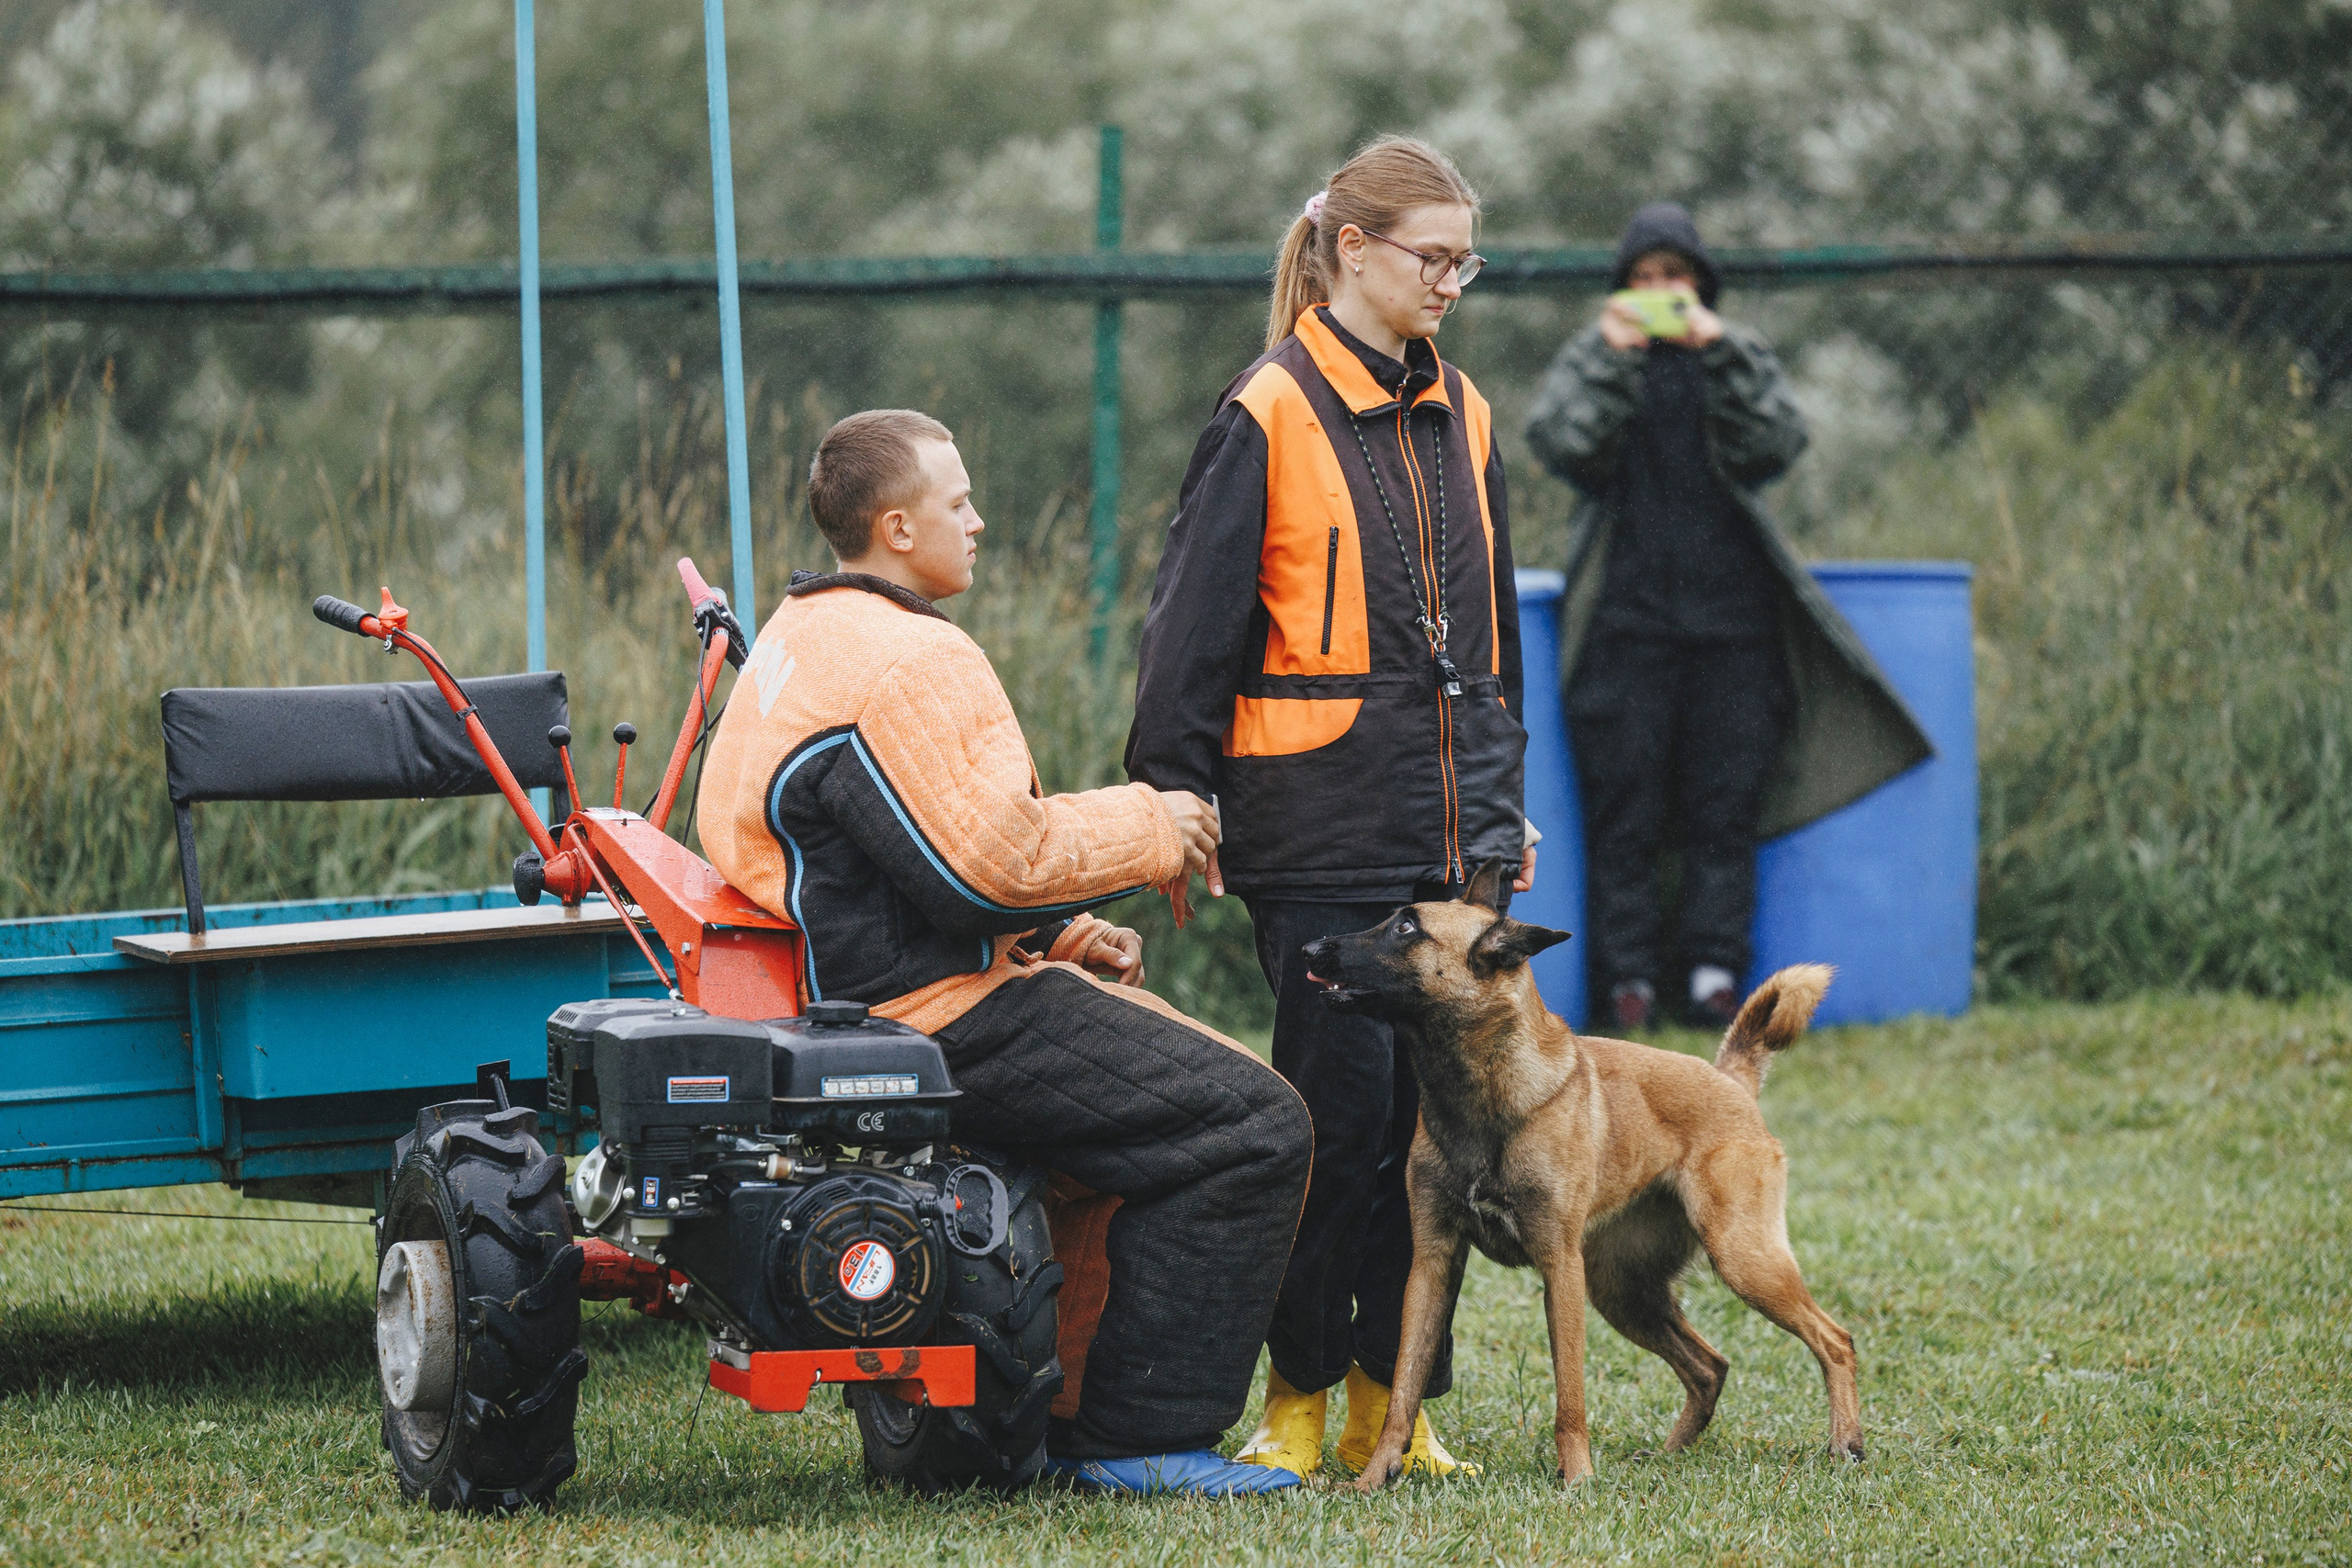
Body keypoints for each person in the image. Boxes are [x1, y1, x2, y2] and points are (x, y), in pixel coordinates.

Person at [695, 409, 1313, 1496]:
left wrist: (1060, 933)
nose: (977, 522)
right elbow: (989, 861)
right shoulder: (909, 657)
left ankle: (1062, 1406)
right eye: (957, 502)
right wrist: (1155, 823)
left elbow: (886, 852)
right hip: (925, 1012)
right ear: (895, 526)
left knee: (1163, 1105)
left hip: (845, 991)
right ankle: (1130, 1440)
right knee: (1249, 1128)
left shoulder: (801, 634)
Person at [1125, 136, 1532, 1483]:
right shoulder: (1268, 409)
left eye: (1464, 259)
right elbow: (1188, 631)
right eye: (1432, 256)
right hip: (1317, 833)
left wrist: (1502, 807)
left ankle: (1396, 1409)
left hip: (1452, 848)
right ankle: (1295, 1402)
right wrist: (1173, 787)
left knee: (1445, 1142)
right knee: (1336, 1128)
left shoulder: (1466, 412)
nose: (1451, 283)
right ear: (1351, 249)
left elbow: (1493, 642)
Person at [1523, 202, 1930, 1032]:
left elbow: (1781, 440)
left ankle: (1716, 976)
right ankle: (1627, 983)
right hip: (1624, 633)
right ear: (1619, 290)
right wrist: (1611, 355)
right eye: (1642, 280)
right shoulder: (1596, 357)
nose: (1659, 293)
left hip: (1734, 632)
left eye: (1674, 278)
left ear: (1701, 285)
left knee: (1724, 810)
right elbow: (1559, 443)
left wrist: (1723, 348)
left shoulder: (1733, 356)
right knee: (1623, 815)